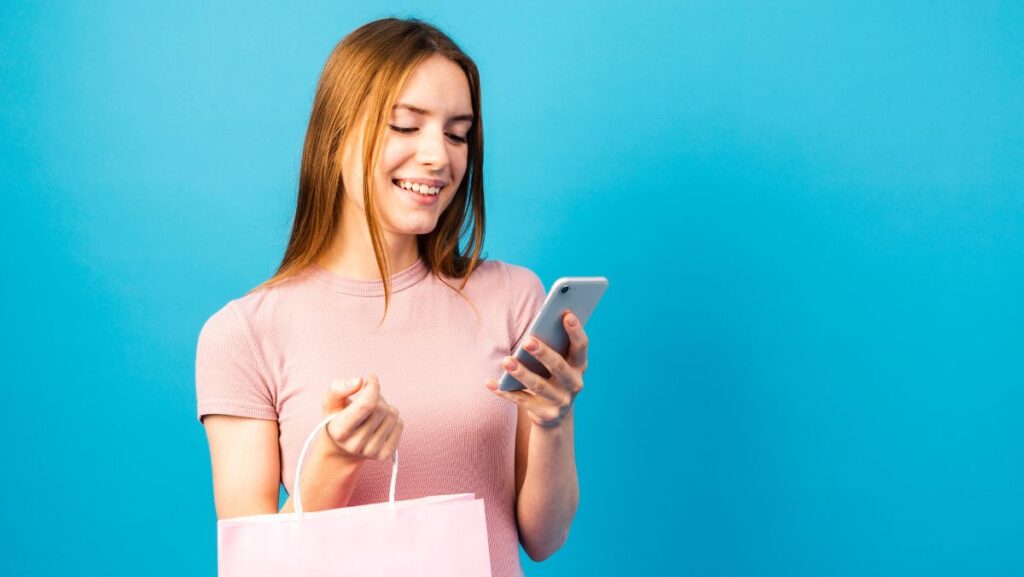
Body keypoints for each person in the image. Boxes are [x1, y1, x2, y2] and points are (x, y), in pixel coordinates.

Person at [195, 18, 590, 577]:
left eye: (457, 134)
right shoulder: (245, 333)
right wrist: (333, 459)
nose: (438, 157)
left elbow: (543, 537)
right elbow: (258, 568)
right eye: (405, 126)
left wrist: (554, 421)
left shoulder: (512, 297)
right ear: (335, 136)